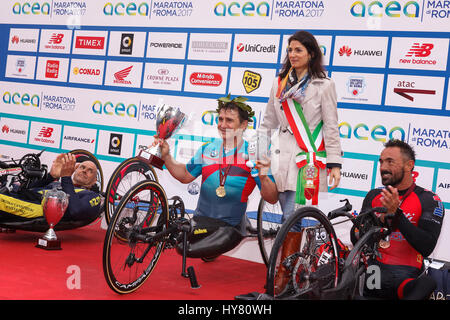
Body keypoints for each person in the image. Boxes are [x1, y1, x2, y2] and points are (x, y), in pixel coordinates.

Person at [259, 30, 343, 294]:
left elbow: (331, 126)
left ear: (311, 54)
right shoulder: (278, 83)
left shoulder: (324, 85)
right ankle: (291, 269)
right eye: (290, 50)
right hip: (278, 158)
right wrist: (260, 157)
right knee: (286, 216)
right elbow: (266, 125)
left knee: (292, 218)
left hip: (305, 161)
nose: (293, 55)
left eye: (298, 50)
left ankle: (284, 274)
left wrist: (335, 163)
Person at [153, 95, 278, 258]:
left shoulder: (253, 154)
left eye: (229, 120)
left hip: (229, 227)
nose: (223, 125)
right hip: (201, 221)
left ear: (244, 125)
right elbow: (184, 176)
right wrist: (167, 157)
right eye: (220, 119)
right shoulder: (207, 149)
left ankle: (246, 225)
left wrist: (262, 176)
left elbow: (272, 197)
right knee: (177, 240)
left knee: (186, 249)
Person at [357, 139, 444, 299]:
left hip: (406, 276)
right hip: (375, 274)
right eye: (381, 162)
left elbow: (427, 246)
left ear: (409, 165)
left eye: (390, 162)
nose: (383, 167)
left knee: (427, 283)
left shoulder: (429, 199)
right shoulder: (374, 196)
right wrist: (379, 223)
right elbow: (357, 239)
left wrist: (397, 215)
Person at [0, 153, 101, 222]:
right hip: (20, 199)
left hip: (37, 209)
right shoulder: (56, 184)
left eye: (90, 171)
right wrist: (51, 177)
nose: (84, 171)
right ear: (75, 170)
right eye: (82, 167)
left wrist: (66, 177)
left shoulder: (91, 195)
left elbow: (75, 210)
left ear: (94, 181)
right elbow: (28, 189)